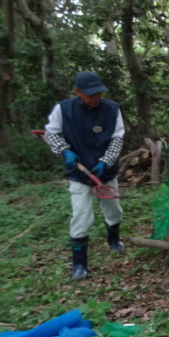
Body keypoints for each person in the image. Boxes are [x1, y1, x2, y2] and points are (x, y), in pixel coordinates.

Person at [44, 72, 126, 280]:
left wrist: (104, 162)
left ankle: (114, 238)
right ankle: (79, 265)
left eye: (98, 92)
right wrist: (65, 151)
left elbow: (117, 139)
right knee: (81, 216)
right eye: (90, 94)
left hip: (104, 171)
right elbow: (50, 133)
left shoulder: (112, 109)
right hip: (78, 173)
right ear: (77, 92)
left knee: (114, 210)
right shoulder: (63, 109)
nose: (95, 97)